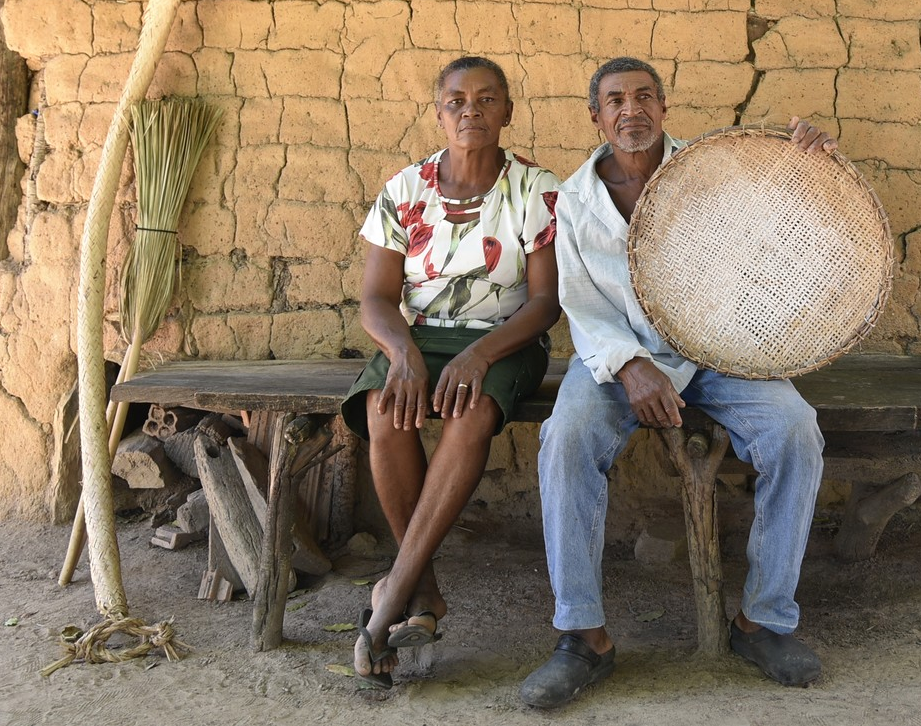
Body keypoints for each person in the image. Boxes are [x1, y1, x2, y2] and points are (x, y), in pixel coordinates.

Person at [520, 56, 834, 708]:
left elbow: (778, 221)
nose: (630, 110)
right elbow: (581, 304)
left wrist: (808, 164)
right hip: (616, 357)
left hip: (719, 349)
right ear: (596, 116)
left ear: (664, 108)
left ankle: (763, 621)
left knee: (795, 430)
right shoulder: (573, 201)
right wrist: (630, 366)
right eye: (615, 100)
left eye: (644, 96)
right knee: (566, 437)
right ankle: (583, 636)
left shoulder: (710, 171)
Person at [344, 55, 562, 691]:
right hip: (416, 339)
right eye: (457, 101)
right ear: (439, 113)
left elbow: (545, 303)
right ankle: (424, 591)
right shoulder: (404, 189)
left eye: (487, 99)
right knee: (385, 411)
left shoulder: (536, 189)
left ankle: (391, 596)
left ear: (508, 112)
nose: (472, 111)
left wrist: (480, 354)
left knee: (470, 413)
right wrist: (403, 354)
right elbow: (376, 299)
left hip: (504, 341)